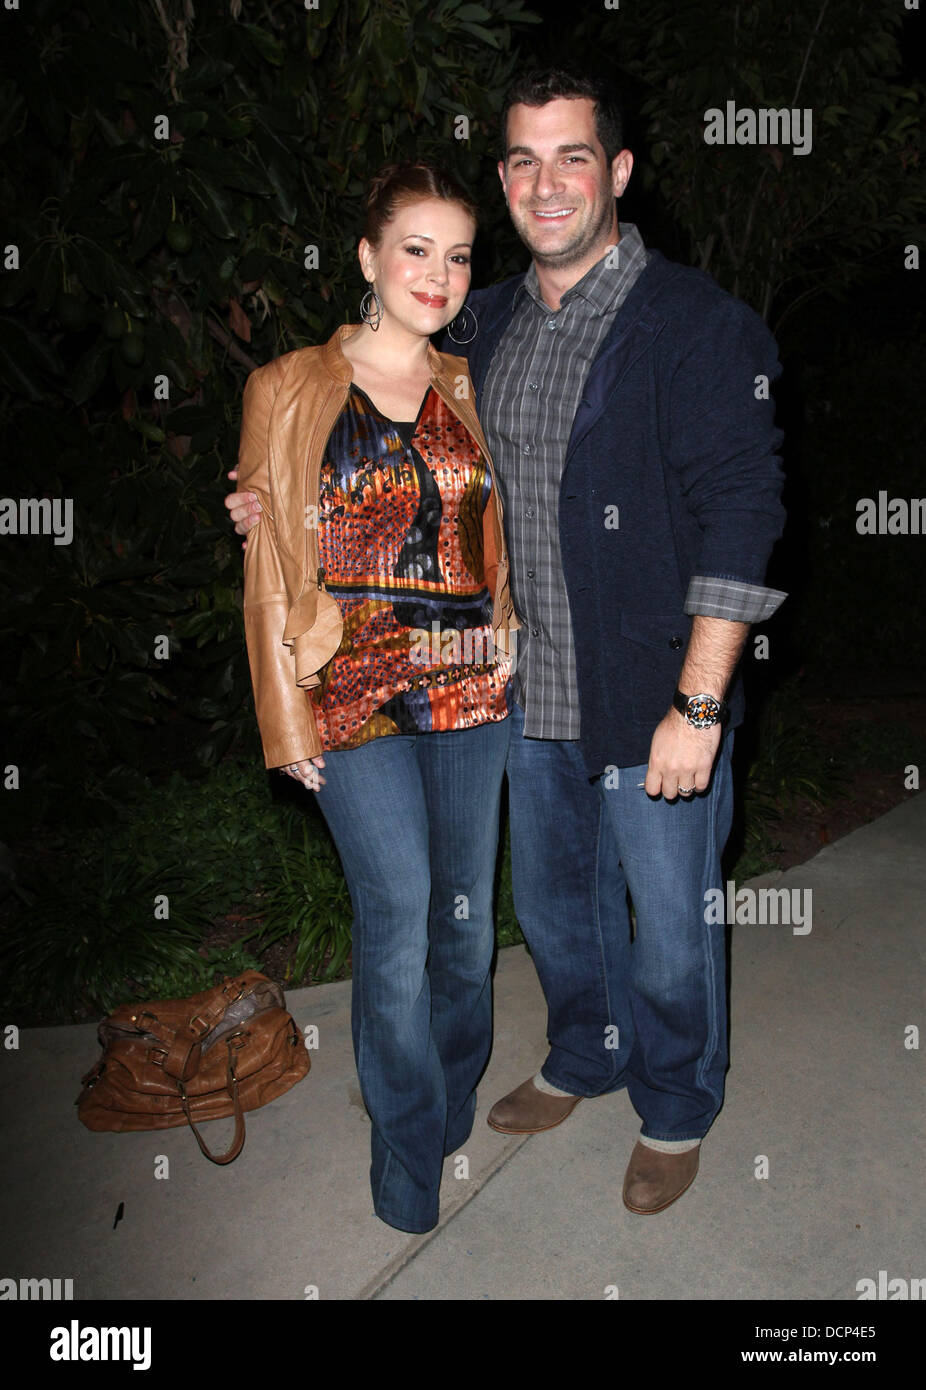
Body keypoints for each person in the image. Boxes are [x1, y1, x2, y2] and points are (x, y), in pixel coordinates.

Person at [228, 68, 787, 1218]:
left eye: (572, 156)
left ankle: (675, 1101)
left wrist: (697, 704)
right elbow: (366, 439)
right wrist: (264, 501)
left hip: (648, 690)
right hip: (519, 690)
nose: (547, 182)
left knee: (670, 926)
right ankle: (584, 1052)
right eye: (524, 160)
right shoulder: (479, 325)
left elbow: (743, 510)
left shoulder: (694, 324)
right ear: (501, 179)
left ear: (618, 173)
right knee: (554, 909)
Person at [234, 161, 518, 1235]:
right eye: (415, 250)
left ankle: (446, 1093)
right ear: (365, 258)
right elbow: (265, 565)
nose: (437, 275)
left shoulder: (470, 383)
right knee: (396, 911)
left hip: (472, 682)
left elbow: (516, 528)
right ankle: (403, 1148)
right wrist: (284, 715)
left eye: (456, 257)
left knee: (459, 922)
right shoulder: (285, 386)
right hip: (347, 685)